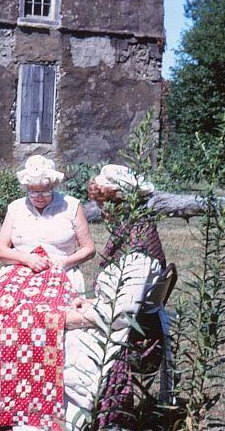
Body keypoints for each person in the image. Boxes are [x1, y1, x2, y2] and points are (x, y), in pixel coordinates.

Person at [63, 163, 168, 429]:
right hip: (115, 323)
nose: (102, 211)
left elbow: (120, 315)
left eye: (105, 203)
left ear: (120, 203)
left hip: (126, 337)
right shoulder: (132, 234)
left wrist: (68, 318)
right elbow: (118, 299)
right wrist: (91, 303)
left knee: (47, 337)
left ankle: (70, 420)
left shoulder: (138, 250)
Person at [0, 154, 95, 294]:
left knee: (54, 310)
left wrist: (65, 262)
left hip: (60, 270)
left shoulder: (71, 206)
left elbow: (89, 249)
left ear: (53, 186)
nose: (39, 197)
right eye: (33, 192)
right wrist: (26, 258)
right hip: (20, 269)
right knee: (4, 307)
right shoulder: (16, 208)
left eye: (45, 191)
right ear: (27, 188)